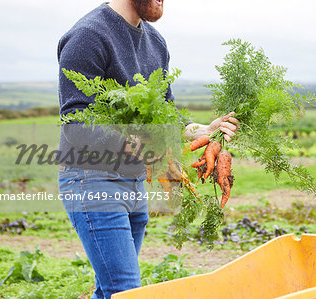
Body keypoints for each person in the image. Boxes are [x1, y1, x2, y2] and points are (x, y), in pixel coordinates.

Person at [57, 0, 238, 298]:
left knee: (109, 291)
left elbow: (168, 117)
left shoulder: (155, 42)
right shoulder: (88, 36)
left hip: (134, 180)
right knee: (125, 290)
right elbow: (76, 123)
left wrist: (203, 131)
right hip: (91, 178)